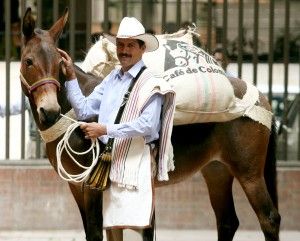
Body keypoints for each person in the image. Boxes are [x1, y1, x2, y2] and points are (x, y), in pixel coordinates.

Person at [59, 17, 175, 231]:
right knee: (112, 226)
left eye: (131, 45)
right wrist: (71, 76)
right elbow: (84, 109)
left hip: (136, 164)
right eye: (120, 45)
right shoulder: (112, 78)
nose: (124, 50)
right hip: (111, 162)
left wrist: (104, 129)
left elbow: (147, 125)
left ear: (142, 48)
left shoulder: (151, 82)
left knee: (136, 225)